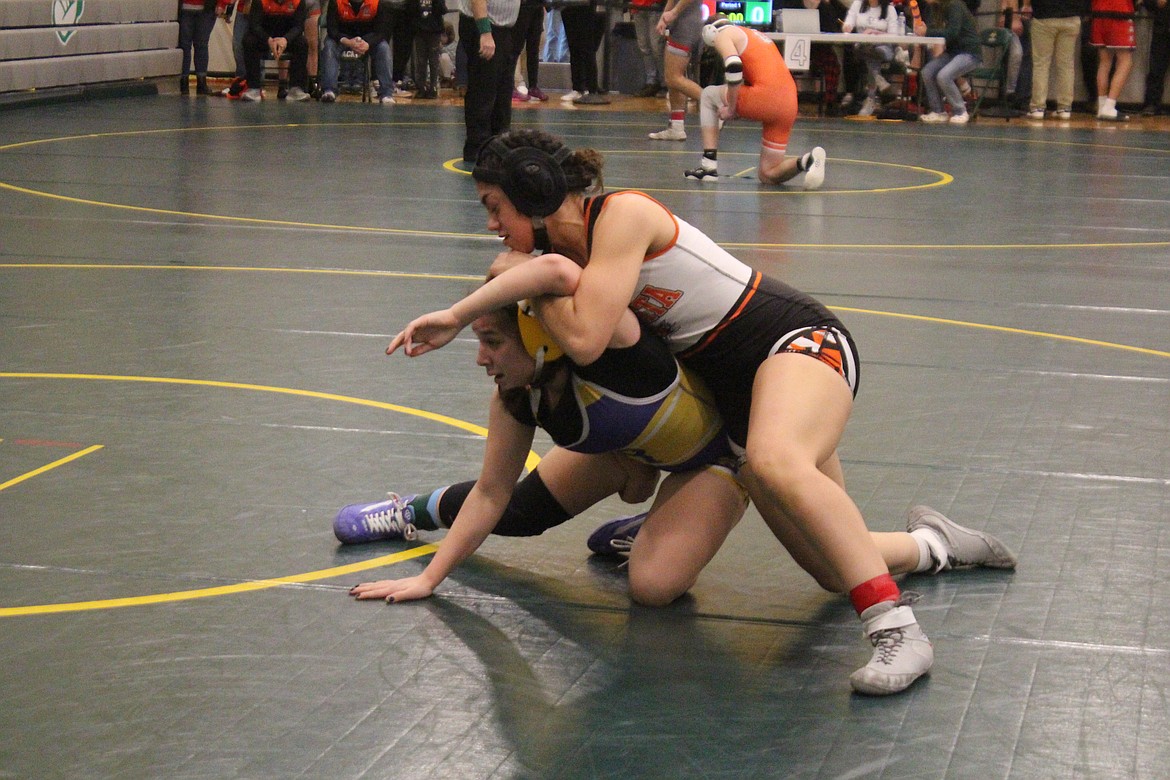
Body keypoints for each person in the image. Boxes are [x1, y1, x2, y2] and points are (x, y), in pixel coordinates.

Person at [383, 128, 1013, 695]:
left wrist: (497, 292)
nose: (494, 226)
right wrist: (516, 282)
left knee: (774, 462)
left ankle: (897, 630)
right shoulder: (568, 263)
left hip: (791, 345)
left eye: (495, 208)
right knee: (827, 567)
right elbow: (542, 295)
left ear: (535, 191)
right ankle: (934, 544)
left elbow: (584, 340)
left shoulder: (621, 216)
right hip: (730, 400)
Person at [345, 298, 1017, 611]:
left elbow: (561, 270)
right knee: (520, 509)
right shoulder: (518, 392)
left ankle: (931, 545)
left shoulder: (619, 353)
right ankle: (410, 508)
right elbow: (493, 494)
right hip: (639, 447)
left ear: (543, 342)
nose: (481, 358)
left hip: (722, 448)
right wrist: (429, 576)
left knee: (664, 587)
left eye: (493, 343)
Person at [682, 17, 827, 188]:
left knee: (707, 95)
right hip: (789, 102)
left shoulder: (723, 34)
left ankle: (708, 166)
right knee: (768, 174)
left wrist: (731, 109)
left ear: (709, 31)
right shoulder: (755, 35)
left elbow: (734, 66)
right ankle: (808, 161)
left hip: (767, 97)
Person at [457, 0, 520, 162]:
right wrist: (485, 32)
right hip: (486, 28)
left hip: (502, 30)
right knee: (483, 91)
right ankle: (478, 148)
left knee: (503, 92)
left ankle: (498, 146)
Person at [915, 0, 981, 123]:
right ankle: (938, 111)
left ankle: (960, 110)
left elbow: (952, 33)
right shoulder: (935, 9)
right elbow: (935, 30)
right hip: (953, 52)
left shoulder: (954, 5)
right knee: (927, 72)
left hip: (969, 52)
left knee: (944, 76)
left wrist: (927, 32)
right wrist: (923, 30)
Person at [319, 0, 396, 103]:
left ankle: (386, 93)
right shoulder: (336, 2)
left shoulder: (378, 3)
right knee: (329, 46)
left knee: (383, 48)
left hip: (368, 38)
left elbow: (382, 32)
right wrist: (348, 42)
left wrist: (367, 44)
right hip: (343, 37)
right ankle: (329, 91)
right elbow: (332, 30)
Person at [648, 0, 704, 140]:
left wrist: (673, 12)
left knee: (673, 78)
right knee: (673, 79)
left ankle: (714, 103)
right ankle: (677, 127)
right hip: (683, 22)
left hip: (685, 24)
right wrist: (665, 16)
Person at [1023, 0, 1087, 119]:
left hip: (1044, 15)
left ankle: (1038, 107)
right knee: (1066, 65)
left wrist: (1027, 5)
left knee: (1041, 64)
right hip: (1071, 16)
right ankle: (1065, 108)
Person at [241, 0, 311, 101]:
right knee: (248, 41)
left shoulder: (298, 1)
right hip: (265, 36)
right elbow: (254, 25)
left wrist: (285, 39)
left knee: (302, 43)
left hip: (286, 37)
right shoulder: (260, 1)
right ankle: (253, 88)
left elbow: (298, 27)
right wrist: (268, 40)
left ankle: (295, 89)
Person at [842, 0, 901, 116]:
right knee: (865, 52)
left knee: (872, 54)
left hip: (883, 47)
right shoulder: (857, 4)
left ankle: (871, 98)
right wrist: (847, 27)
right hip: (862, 46)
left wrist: (875, 32)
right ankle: (876, 83)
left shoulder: (889, 9)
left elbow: (894, 35)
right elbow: (848, 23)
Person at [1090, 0, 1136, 119]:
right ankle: (1109, 106)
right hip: (1120, 12)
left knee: (1104, 62)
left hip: (1099, 12)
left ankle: (1102, 106)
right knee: (1126, 61)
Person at [560, 0, 611, 103]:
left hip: (586, 7)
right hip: (568, 6)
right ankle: (577, 88)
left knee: (587, 49)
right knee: (574, 49)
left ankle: (591, 89)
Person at [179, 0, 219, 96]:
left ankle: (185, 83)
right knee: (194, 46)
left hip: (202, 9)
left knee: (190, 46)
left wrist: (222, 3)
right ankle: (199, 83)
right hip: (191, 9)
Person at [511, 0, 549, 101]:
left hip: (538, 6)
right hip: (522, 6)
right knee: (516, 49)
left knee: (534, 48)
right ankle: (511, 86)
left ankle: (533, 86)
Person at [630, 0, 666, 97]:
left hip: (655, 5)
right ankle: (651, 82)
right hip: (637, 6)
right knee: (644, 46)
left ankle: (664, 83)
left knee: (656, 47)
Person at [1139, 0, 1169, 114]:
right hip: (1163, 26)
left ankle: (1152, 103)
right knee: (1156, 67)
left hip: (1162, 25)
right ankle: (1152, 102)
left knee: (1157, 65)